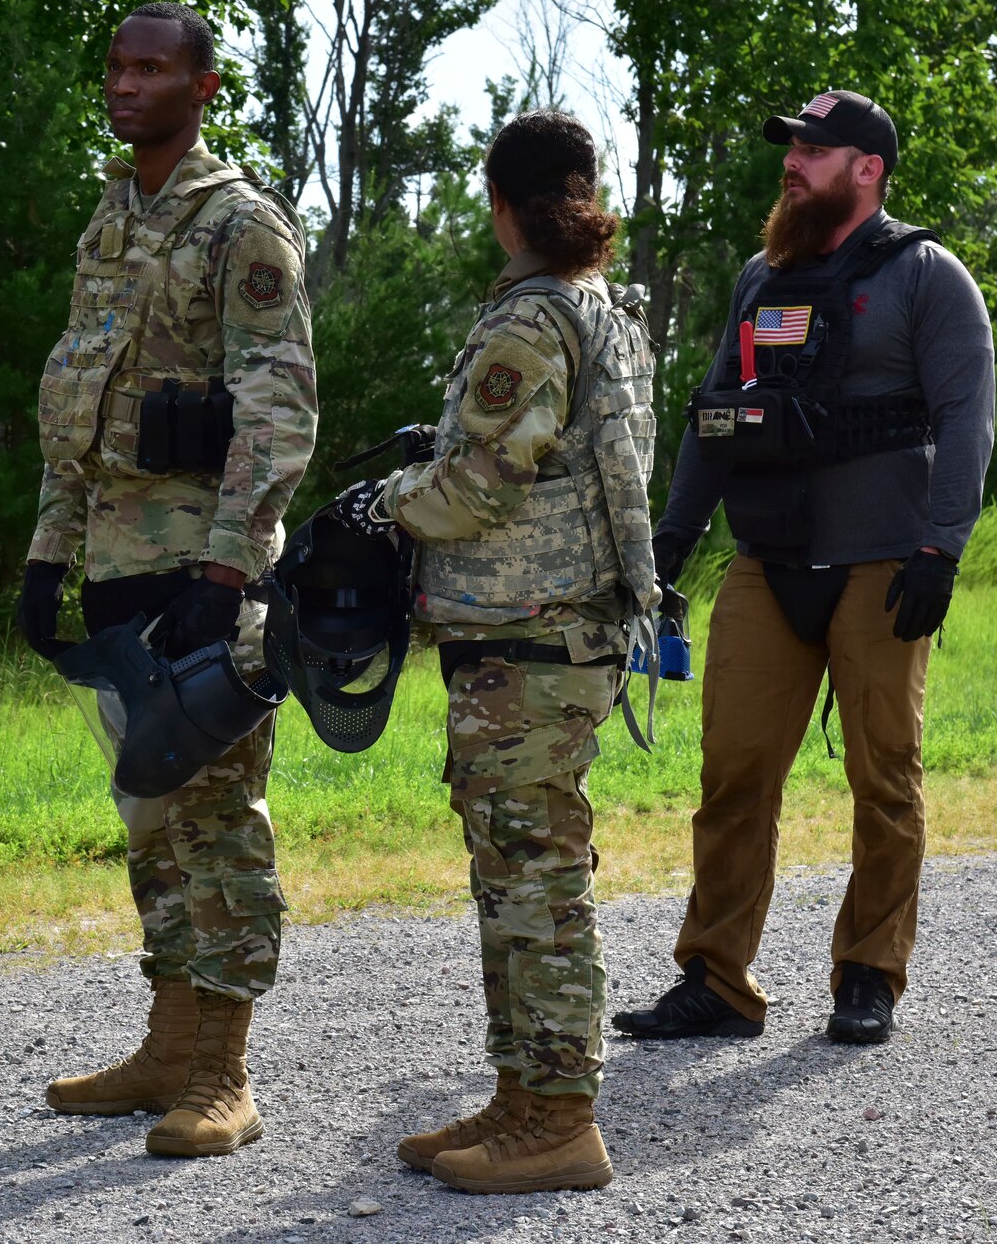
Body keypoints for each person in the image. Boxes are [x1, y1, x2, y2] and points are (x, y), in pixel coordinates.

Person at [612, 89, 994, 1047]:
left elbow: (968, 420)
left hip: (883, 565)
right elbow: (713, 414)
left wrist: (942, 547)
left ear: (866, 169)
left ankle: (868, 974)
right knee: (734, 772)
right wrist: (670, 540)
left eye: (813, 150)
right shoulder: (759, 278)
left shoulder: (926, 276)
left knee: (885, 775)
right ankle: (716, 978)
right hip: (767, 562)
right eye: (791, 147)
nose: (793, 162)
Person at [331, 110, 657, 1194]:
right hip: (547, 638)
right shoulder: (603, 313)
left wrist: (384, 504)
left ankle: (561, 1117)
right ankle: (522, 1096)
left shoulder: (528, 324)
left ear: (499, 204)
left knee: (534, 882)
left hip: (529, 641)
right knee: (514, 871)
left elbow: (478, 485)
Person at [16, 2, 316, 1158]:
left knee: (217, 820)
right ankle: (165, 1043)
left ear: (202, 87)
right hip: (116, 563)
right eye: (114, 67)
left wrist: (228, 565)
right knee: (148, 812)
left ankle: (223, 1073)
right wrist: (49, 552)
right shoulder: (110, 222)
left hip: (203, 571)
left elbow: (279, 410)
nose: (125, 84)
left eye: (151, 69)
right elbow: (74, 404)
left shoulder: (241, 225)